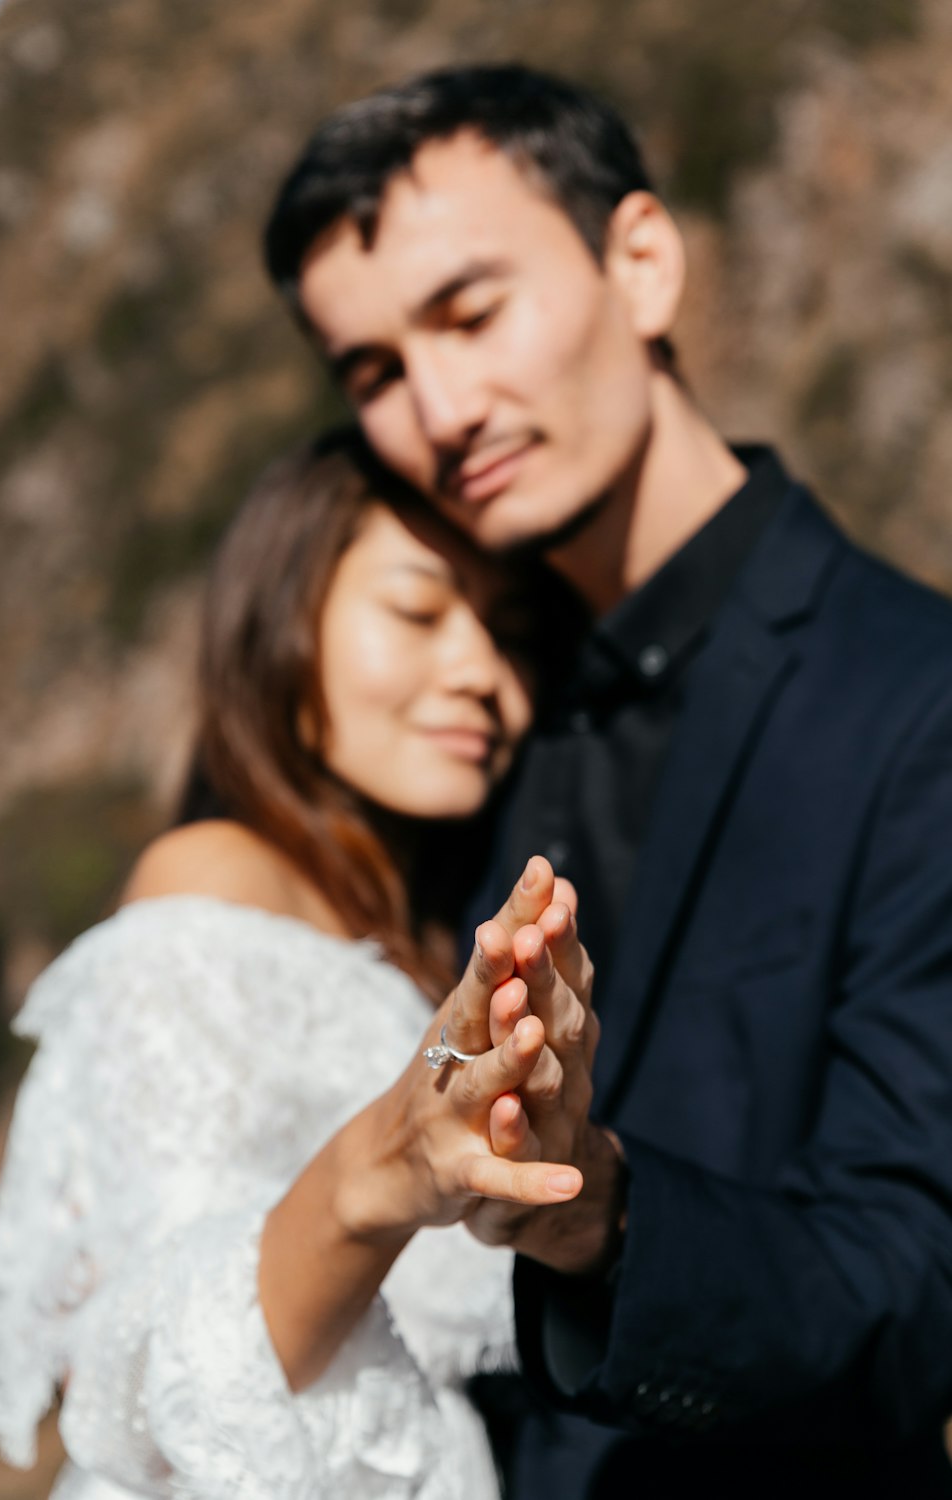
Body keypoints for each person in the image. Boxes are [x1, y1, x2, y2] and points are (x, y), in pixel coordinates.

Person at [263, 65, 952, 1494]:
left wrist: (592, 1211)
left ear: (640, 263)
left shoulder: (916, 700)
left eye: (471, 312)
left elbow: (915, 1296)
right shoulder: (451, 720)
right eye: (376, 371)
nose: (442, 409)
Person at [0, 428, 595, 1499]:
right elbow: (167, 1370)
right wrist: (377, 1181)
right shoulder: (207, 880)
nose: (485, 676)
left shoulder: (406, 927)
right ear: (283, 620)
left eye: (511, 636)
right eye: (417, 611)